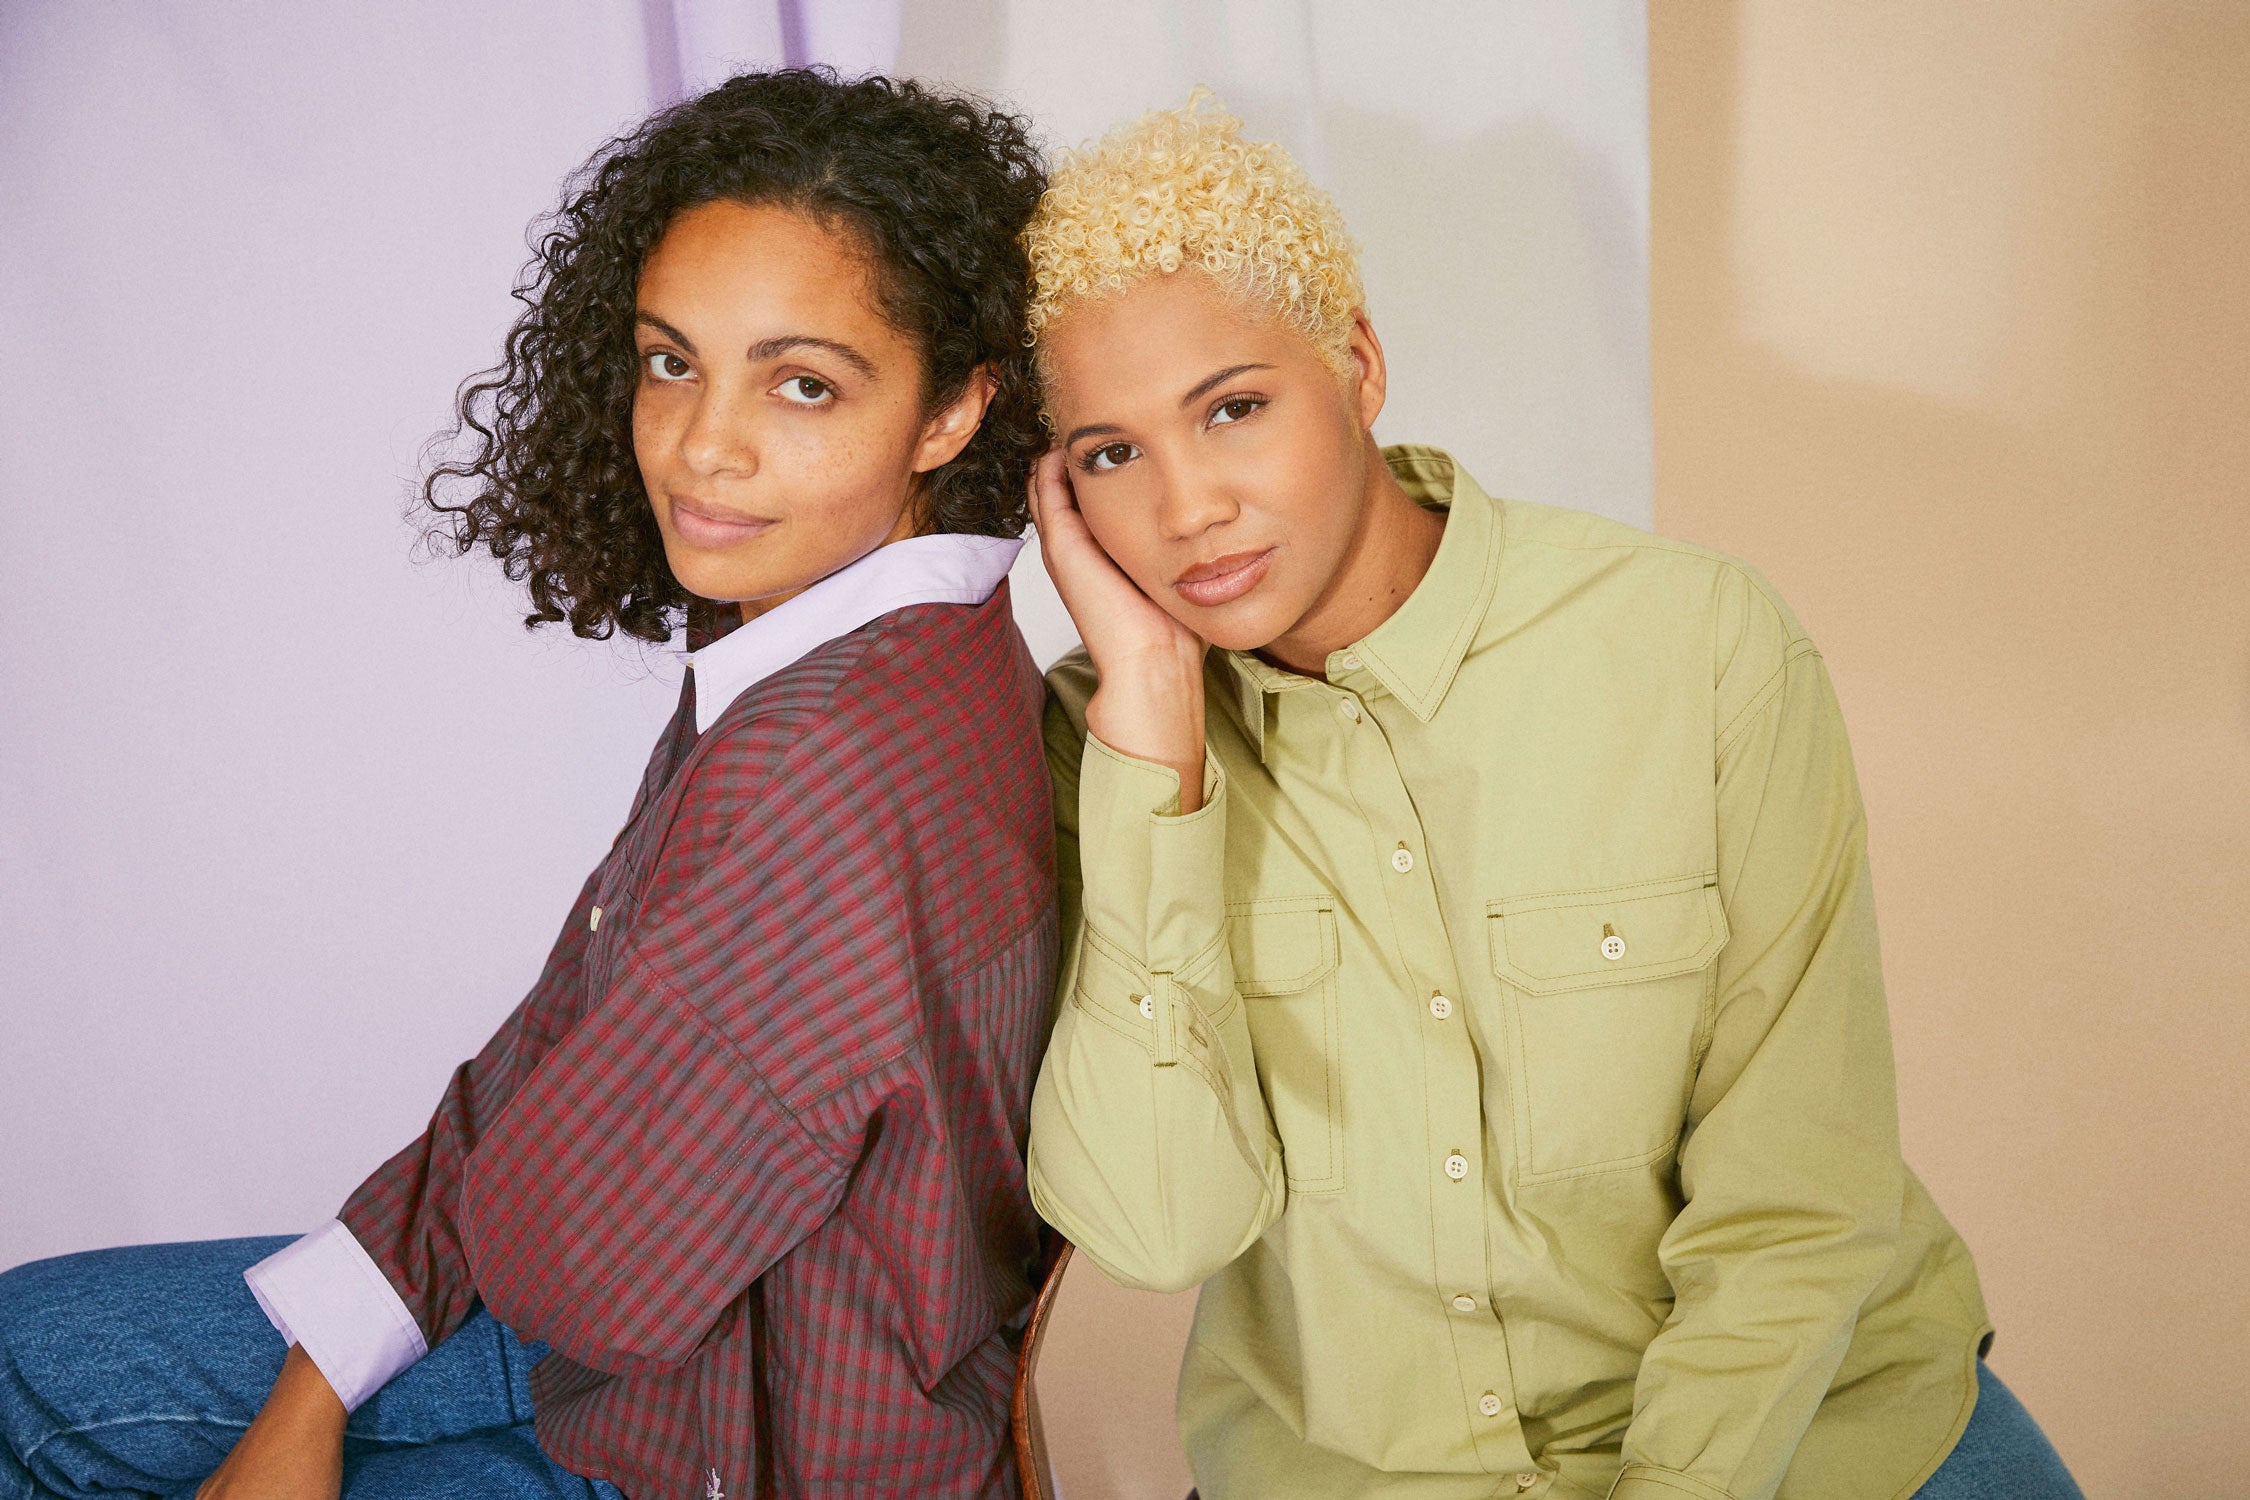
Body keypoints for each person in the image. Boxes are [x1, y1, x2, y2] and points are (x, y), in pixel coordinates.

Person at [0, 69, 1056, 1500]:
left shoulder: (832, 762)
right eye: (672, 360)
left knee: (25, 1380)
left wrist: (494, 1193)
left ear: (953, 411)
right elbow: (562, 1039)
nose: (702, 443)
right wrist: (316, 1377)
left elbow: (584, 1276)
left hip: (718, 1442)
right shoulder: (863, 647)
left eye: (801, 382)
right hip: (662, 1365)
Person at [1021, 94, 2081, 1500]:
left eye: (1232, 409)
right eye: (1111, 455)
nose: (1186, 506)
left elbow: (1793, 1203)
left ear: (1356, 364)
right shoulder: (1094, 742)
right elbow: (1158, 1230)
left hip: (1808, 1446)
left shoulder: (1695, 644)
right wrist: (1150, 736)